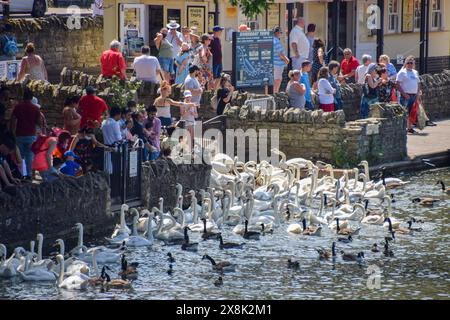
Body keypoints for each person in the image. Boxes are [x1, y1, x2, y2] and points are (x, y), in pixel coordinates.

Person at [10, 88, 42, 180]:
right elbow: (39, 122)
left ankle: (20, 174)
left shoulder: (18, 107)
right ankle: (28, 175)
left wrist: (11, 132)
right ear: (31, 97)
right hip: (31, 135)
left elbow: (13, 121)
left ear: (23, 97)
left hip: (19, 134)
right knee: (30, 156)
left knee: (20, 156)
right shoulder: (35, 108)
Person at [396, 56, 421, 133]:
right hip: (405, 95)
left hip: (414, 95)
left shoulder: (415, 72)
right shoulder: (402, 72)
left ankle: (409, 128)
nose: (410, 64)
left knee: (411, 112)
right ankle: (402, 128)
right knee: (404, 112)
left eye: (411, 63)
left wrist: (418, 92)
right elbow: (397, 84)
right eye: (408, 63)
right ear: (405, 63)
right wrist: (404, 94)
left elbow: (418, 83)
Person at [272, 26, 289, 94]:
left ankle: (274, 93)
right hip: (277, 64)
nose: (280, 34)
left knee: (275, 79)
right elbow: (280, 53)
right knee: (278, 80)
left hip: (274, 63)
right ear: (277, 33)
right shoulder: (276, 41)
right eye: (280, 33)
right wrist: (286, 60)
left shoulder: (271, 40)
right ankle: (275, 94)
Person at [209, 26, 224, 90]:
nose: (221, 32)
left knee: (219, 76)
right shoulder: (211, 39)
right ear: (217, 32)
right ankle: (211, 91)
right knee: (213, 77)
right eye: (220, 31)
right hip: (213, 61)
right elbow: (208, 49)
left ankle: (215, 89)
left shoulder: (218, 39)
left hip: (219, 61)